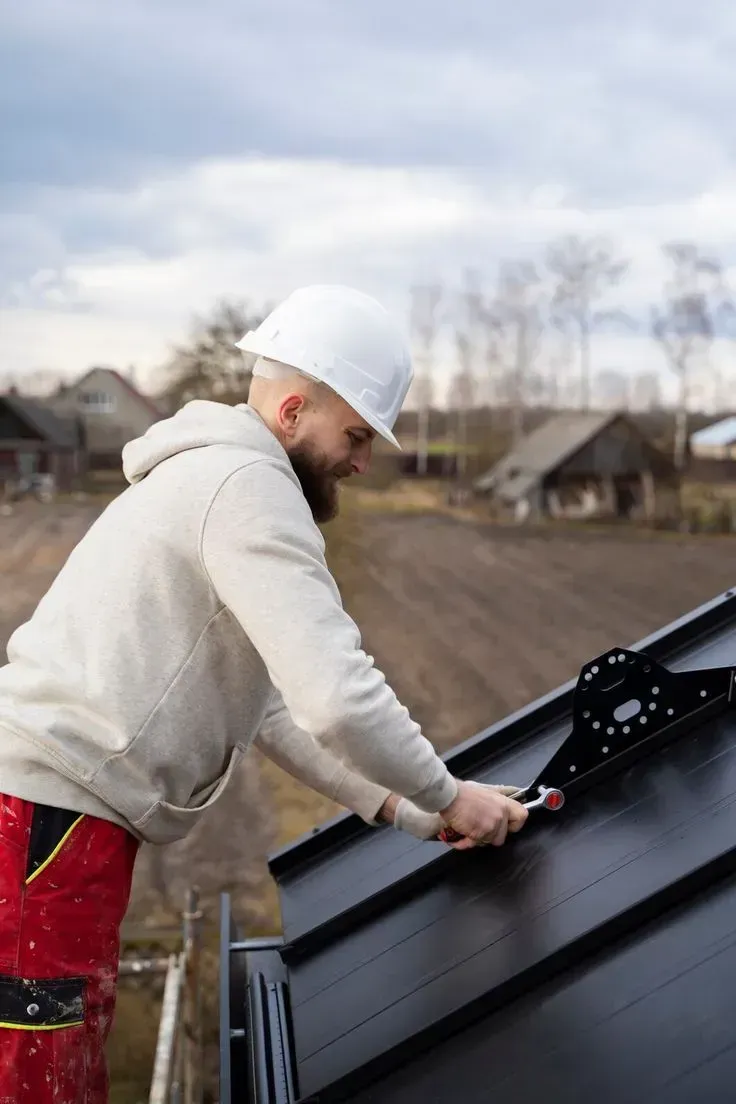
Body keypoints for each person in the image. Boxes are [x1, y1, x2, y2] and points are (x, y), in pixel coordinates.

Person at [0, 284, 528, 1102]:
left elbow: (272, 708)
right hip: (41, 824)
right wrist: (452, 795)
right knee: (41, 1080)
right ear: (291, 411)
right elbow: (339, 697)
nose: (362, 462)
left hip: (46, 817)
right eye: (355, 435)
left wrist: (406, 810)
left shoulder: (211, 476)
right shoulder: (249, 489)